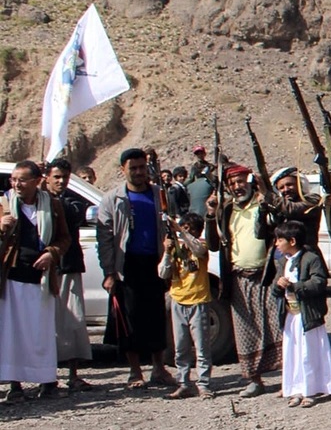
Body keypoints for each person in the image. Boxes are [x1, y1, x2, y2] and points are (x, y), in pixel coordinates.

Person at [97, 148, 175, 389]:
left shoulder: (160, 195)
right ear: (123, 170)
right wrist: (109, 272)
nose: (139, 172)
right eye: (134, 168)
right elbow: (105, 239)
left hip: (155, 263)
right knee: (129, 320)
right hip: (127, 266)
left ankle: (159, 369)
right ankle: (135, 372)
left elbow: (171, 227)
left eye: (142, 167)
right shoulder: (113, 200)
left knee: (156, 317)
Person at [206, 164, 278, 397]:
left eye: (241, 182)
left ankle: (289, 378)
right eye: (233, 184)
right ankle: (254, 380)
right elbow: (213, 244)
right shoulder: (227, 209)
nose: (238, 187)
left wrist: (266, 195)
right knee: (245, 329)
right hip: (238, 277)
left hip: (266, 275)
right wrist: (211, 214)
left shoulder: (263, 203)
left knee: (276, 326)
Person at [1, 160, 67, 403]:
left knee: (41, 332)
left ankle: (47, 381)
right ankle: (15, 384)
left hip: (41, 279)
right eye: (14, 180)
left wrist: (51, 253)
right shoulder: (4, 204)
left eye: (22, 180)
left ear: (37, 181)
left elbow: (64, 238)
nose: (17, 184)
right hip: (12, 277)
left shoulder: (52, 205)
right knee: (13, 332)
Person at [271, 220, 331, 408]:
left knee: (309, 353)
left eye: (280, 240)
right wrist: (279, 286)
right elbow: (275, 286)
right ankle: (295, 389)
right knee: (293, 353)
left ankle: (312, 389)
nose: (276, 244)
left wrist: (295, 286)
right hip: (291, 315)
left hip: (307, 315)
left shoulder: (311, 258)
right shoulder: (284, 261)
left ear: (292, 241)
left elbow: (319, 282)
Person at [44, 159, 94, 394]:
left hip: (68, 266)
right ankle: (46, 377)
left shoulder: (72, 202)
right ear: (47, 178)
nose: (61, 181)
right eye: (56, 177)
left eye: (65, 177)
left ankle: (73, 375)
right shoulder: (37, 201)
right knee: (45, 323)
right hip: (44, 269)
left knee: (73, 320)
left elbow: (71, 215)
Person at [162, 213, 213, 399]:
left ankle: (203, 384)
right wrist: (167, 252)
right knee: (181, 347)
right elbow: (162, 273)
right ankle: (183, 382)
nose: (187, 231)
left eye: (191, 229)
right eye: (184, 228)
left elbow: (198, 250)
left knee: (201, 347)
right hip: (178, 300)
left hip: (198, 300)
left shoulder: (201, 245)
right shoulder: (177, 249)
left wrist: (181, 232)